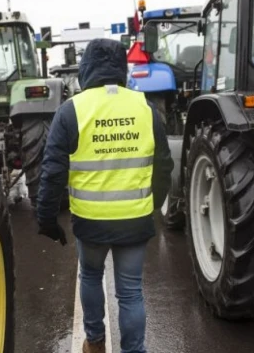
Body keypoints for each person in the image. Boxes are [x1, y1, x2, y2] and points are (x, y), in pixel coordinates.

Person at [36, 38, 173, 353]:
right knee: (131, 292)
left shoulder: (71, 111)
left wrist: (46, 218)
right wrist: (151, 205)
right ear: (121, 68)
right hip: (134, 221)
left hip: (92, 222)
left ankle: (95, 343)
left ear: (86, 68)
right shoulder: (145, 108)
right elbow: (164, 165)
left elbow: (53, 171)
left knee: (91, 276)